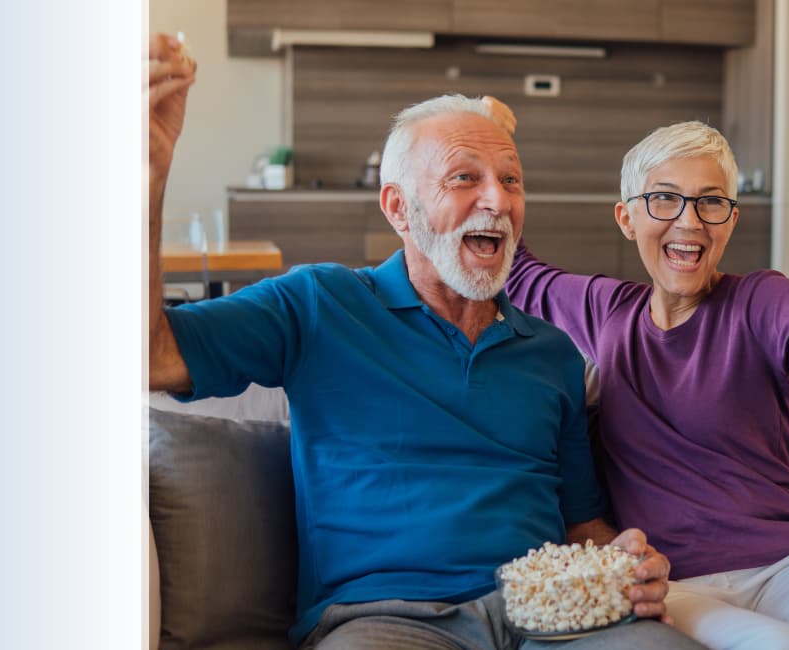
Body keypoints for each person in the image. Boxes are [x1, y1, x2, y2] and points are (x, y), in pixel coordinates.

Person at [146, 33, 704, 650]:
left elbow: (581, 524)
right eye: (465, 177)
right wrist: (146, 180)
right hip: (386, 622)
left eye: (511, 181)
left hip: (548, 619)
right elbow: (152, 355)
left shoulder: (551, 354)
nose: (497, 200)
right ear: (399, 209)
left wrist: (623, 557)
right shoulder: (318, 306)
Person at [504, 116, 789, 649]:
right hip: (675, 579)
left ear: (731, 218)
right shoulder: (603, 310)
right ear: (627, 218)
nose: (690, 221)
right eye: (665, 200)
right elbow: (513, 265)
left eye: (710, 201)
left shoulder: (763, 301)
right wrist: (489, 131)